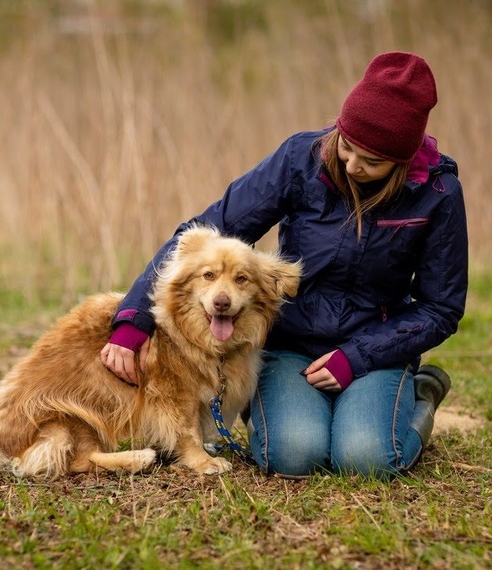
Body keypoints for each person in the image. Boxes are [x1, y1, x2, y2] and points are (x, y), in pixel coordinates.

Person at [100, 51, 468, 479]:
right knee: (294, 455)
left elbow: (441, 308)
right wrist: (134, 319)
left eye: (371, 162)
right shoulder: (301, 158)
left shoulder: (438, 194)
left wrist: (357, 357)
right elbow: (205, 230)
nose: (351, 165)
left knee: (368, 460)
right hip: (292, 342)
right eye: (347, 146)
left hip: (376, 347)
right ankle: (276, 411)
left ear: (402, 161)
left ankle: (419, 398)